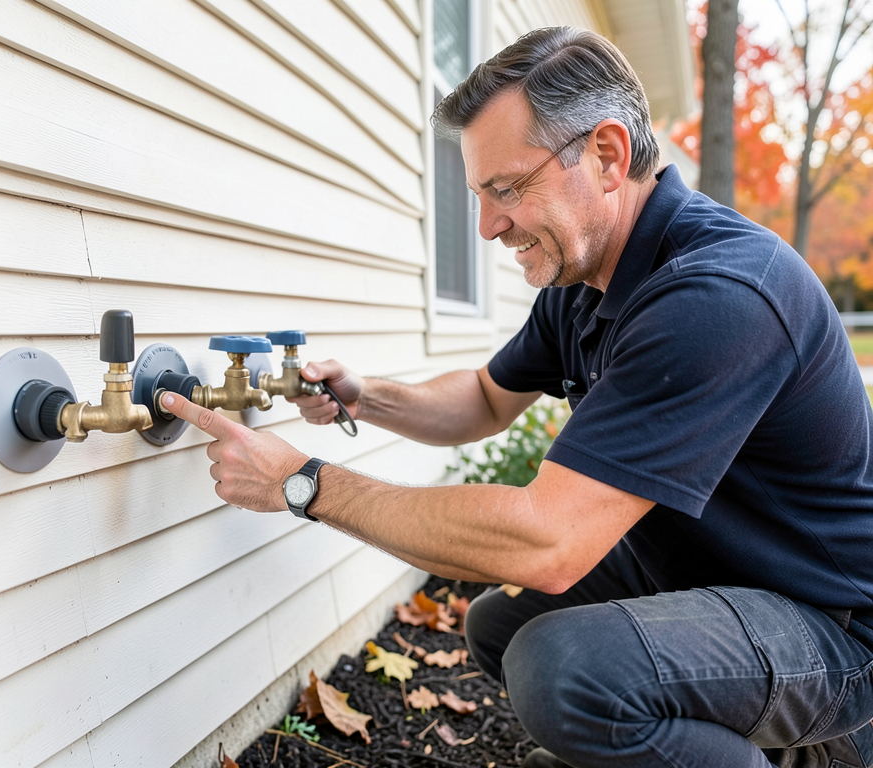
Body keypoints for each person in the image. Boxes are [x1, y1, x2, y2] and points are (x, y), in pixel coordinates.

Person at [159, 26, 873, 768]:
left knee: (564, 670)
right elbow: (484, 399)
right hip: (716, 577)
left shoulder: (717, 296)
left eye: (506, 190)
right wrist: (365, 399)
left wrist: (303, 484)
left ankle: (826, 749)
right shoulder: (587, 279)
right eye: (478, 195)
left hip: (832, 627)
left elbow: (550, 541)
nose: (488, 226)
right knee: (503, 626)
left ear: (605, 156)